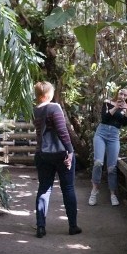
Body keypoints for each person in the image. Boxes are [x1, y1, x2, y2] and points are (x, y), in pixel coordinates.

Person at [32, 81, 81, 237]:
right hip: (61, 154)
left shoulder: (34, 110)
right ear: (46, 95)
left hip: (42, 154)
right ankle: (72, 226)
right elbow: (62, 130)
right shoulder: (54, 107)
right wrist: (70, 151)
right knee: (68, 188)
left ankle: (41, 227)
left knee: (44, 188)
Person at [89, 87, 127, 207]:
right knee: (98, 162)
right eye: (121, 93)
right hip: (101, 134)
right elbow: (105, 118)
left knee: (112, 167)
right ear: (117, 92)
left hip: (114, 136)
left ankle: (113, 194)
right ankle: (94, 190)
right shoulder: (107, 102)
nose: (122, 96)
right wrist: (116, 107)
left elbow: (124, 124)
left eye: (125, 95)